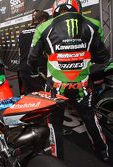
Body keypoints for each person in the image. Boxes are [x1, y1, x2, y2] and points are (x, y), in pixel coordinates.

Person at [27, 0, 110, 161]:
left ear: (55, 9)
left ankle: (57, 160)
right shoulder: (93, 24)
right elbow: (102, 57)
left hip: (56, 87)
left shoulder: (43, 27)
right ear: (77, 6)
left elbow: (32, 60)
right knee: (89, 117)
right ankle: (103, 153)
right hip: (83, 86)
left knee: (55, 123)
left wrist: (37, 70)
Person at [18, 10, 49, 95]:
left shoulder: (22, 32)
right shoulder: (43, 31)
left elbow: (20, 51)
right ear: (43, 20)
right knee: (45, 98)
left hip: (24, 68)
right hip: (38, 68)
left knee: (30, 98)